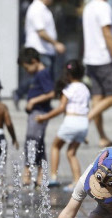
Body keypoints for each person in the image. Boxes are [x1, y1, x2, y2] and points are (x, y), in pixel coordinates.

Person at [35, 59, 90, 192]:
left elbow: (61, 108)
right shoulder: (85, 89)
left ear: (68, 74)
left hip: (71, 121)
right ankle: (77, 181)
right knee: (71, 153)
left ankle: (53, 177)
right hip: (83, 123)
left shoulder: (69, 89)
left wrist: (44, 117)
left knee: (55, 146)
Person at [83, 0, 112, 148]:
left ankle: (102, 137)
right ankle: (84, 121)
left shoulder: (88, 7)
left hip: (91, 58)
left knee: (98, 98)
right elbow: (108, 34)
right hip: (103, 58)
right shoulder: (103, 7)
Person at [13, 0, 65, 110]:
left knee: (44, 78)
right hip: (40, 49)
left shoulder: (44, 9)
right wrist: (56, 44)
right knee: (39, 77)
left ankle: (43, 102)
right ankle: (19, 92)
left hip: (47, 50)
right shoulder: (36, 9)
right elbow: (41, 32)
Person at [18, 47, 55, 186]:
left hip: (40, 113)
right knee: (38, 143)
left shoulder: (42, 73)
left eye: (26, 67)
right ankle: (41, 174)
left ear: (34, 61)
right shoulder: (39, 74)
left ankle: (27, 173)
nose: (26, 71)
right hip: (36, 113)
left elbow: (51, 93)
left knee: (32, 141)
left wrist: (33, 101)